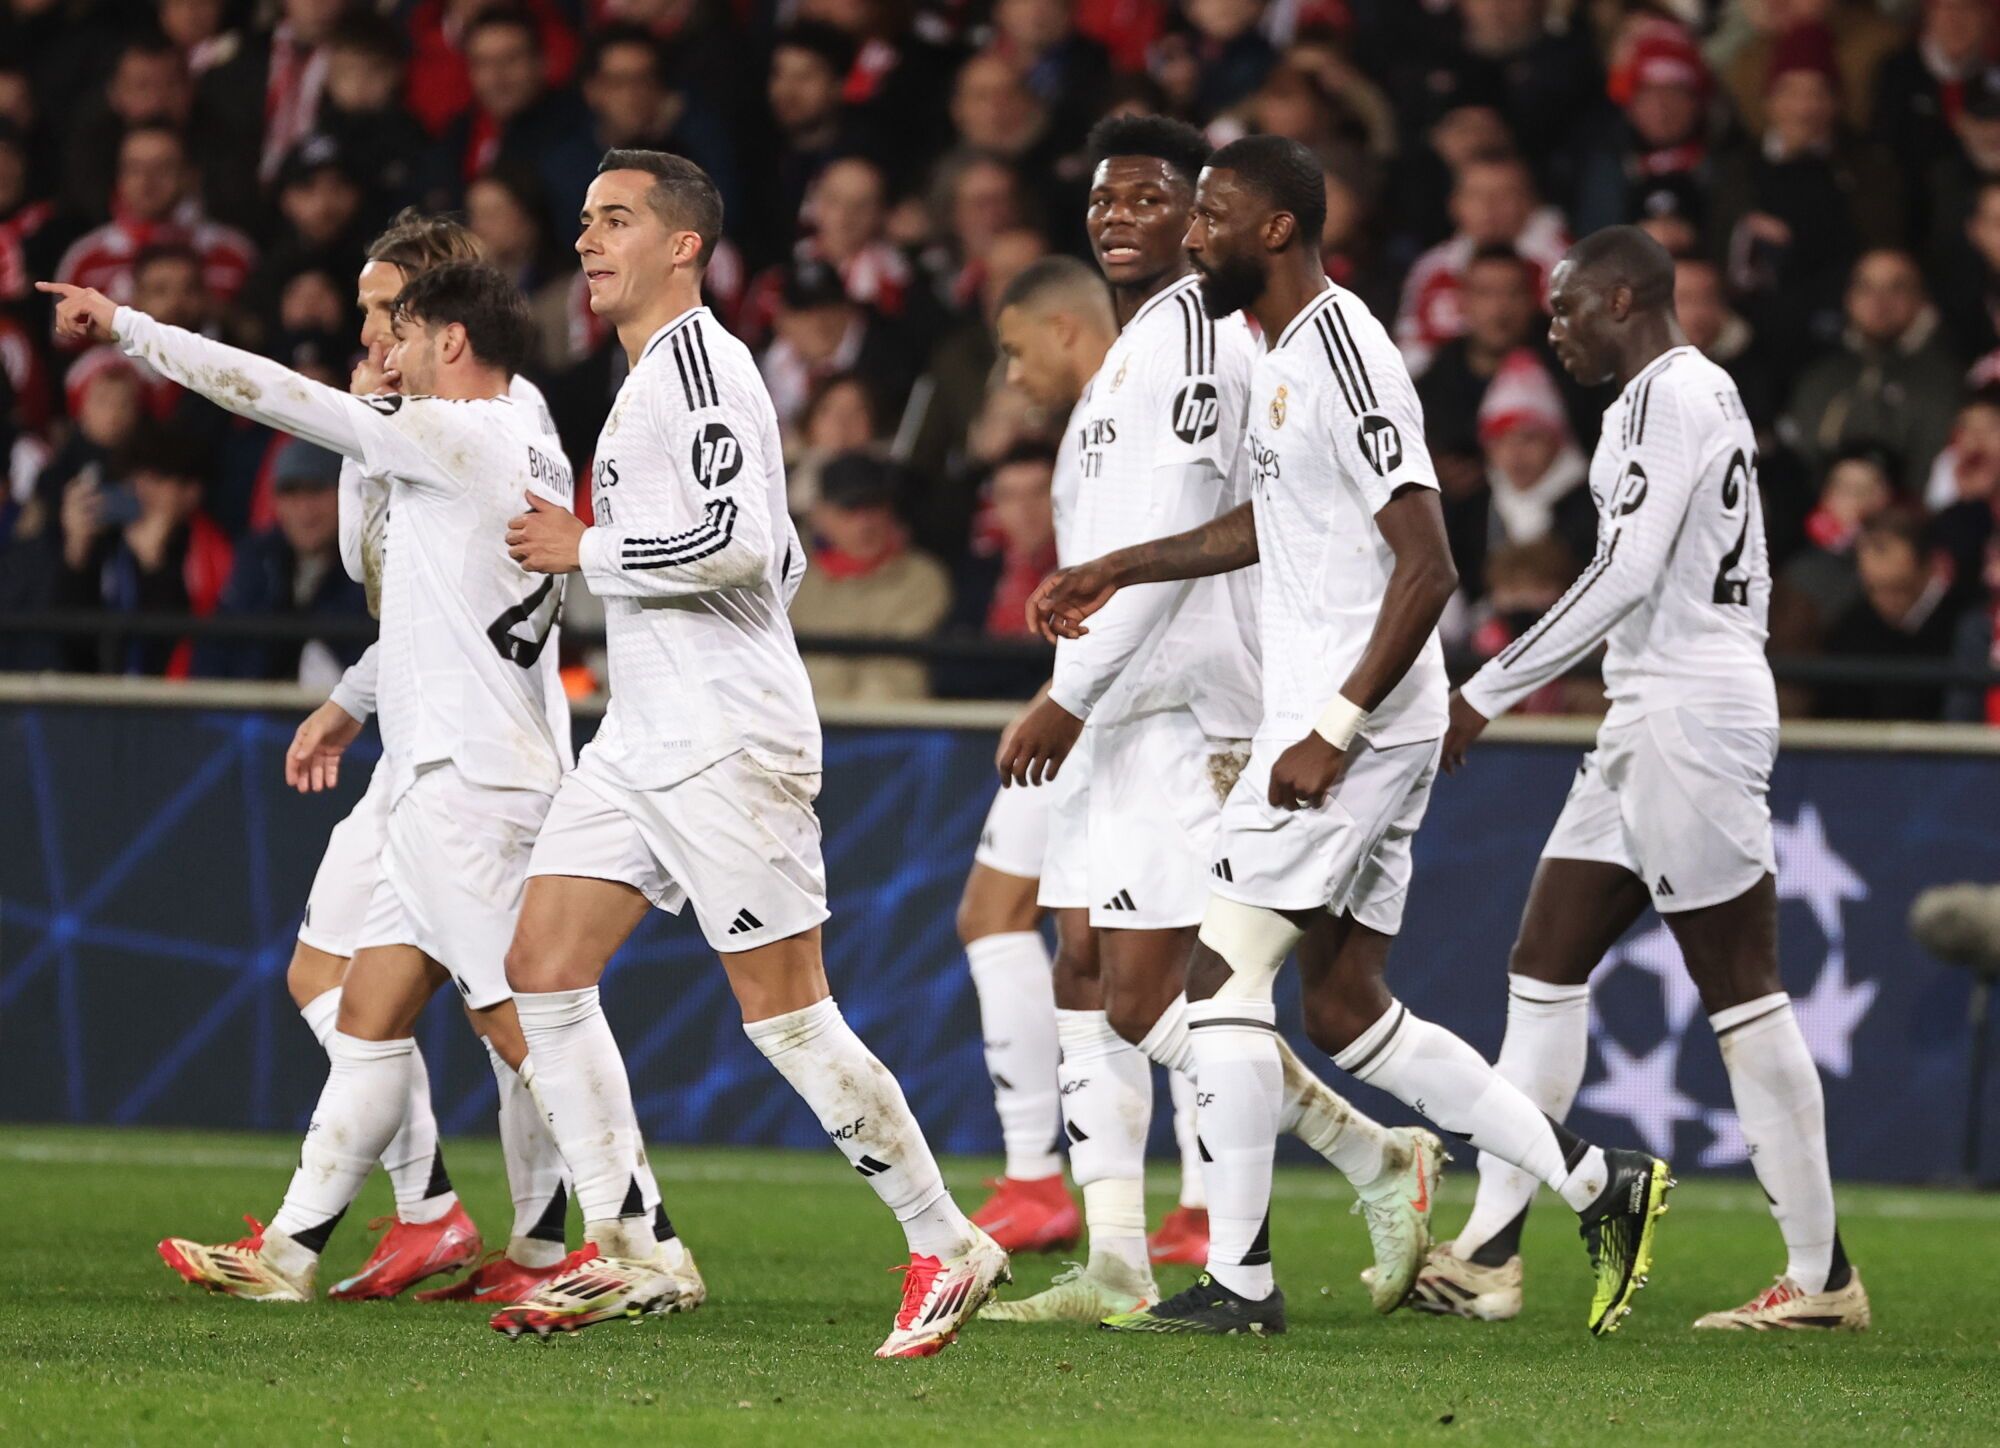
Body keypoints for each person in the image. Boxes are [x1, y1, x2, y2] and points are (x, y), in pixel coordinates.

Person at [1034, 139, 1670, 1338]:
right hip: (1338, 714)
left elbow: (1429, 563)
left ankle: (1241, 1283)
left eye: (1212, 216)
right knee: (1342, 1007)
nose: (1192, 236)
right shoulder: (1277, 354)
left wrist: (1332, 725)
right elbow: (1270, 522)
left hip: (1349, 720)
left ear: (1274, 230)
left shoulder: (1343, 350)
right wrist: (1121, 563)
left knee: (1217, 985)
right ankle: (1598, 1182)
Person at [46, 260, 704, 1312]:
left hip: (472, 777)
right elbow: (428, 600)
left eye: (401, 329)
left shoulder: (454, 429)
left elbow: (266, 390)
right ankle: (296, 1249)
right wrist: (357, 699)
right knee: (365, 1006)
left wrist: (128, 326)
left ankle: (643, 1238)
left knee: (523, 1018)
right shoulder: (520, 429)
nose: (381, 350)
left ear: (451, 341)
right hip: (444, 763)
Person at [495, 149, 1006, 1357]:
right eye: (582, 221)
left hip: (726, 738)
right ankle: (637, 1248)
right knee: (543, 967)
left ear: (684, 245)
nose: (586, 241)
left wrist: (589, 550)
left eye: (614, 220)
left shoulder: (705, 366)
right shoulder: (644, 383)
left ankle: (946, 1238)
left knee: (785, 1014)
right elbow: (779, 560)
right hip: (644, 734)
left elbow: (735, 542)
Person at [985, 117, 1440, 1330]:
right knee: (1083, 970)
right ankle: (1120, 1259)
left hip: (1182, 708)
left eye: (1151, 198)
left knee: (1157, 993)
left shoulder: (1197, 339)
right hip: (1123, 698)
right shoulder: (1141, 348)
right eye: (1102, 198)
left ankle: (1358, 1158)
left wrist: (1067, 697)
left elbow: (1204, 536)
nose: (1120, 216)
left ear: (1205, 214)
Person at [1426, 225, 1869, 1333]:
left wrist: (1486, 685)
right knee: (1545, 957)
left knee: (1740, 987)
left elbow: (1624, 570)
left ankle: (1819, 1279)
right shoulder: (1689, 393)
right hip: (1652, 703)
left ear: (1622, 296)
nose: (1553, 326)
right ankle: (1487, 1250)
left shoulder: (1665, 395)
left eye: (1567, 306)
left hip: (1687, 705)